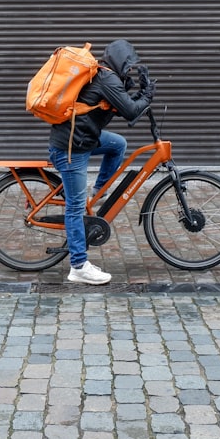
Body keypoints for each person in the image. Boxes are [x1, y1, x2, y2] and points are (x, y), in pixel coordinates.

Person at [49, 39, 155, 285]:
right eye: (128, 66)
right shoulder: (107, 79)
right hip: (71, 148)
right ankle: (78, 266)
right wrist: (146, 96)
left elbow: (121, 107)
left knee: (118, 144)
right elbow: (130, 111)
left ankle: (99, 194)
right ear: (119, 61)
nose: (129, 71)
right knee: (75, 207)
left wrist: (138, 95)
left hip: (82, 138)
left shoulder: (104, 76)